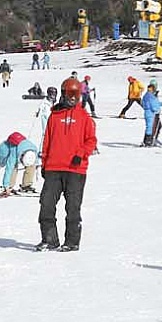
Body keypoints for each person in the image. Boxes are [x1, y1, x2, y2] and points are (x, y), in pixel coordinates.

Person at [37, 77, 97, 252]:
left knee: (72, 207)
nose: (72, 98)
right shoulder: (53, 116)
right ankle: (49, 239)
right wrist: (44, 164)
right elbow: (47, 141)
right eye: (69, 94)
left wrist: (80, 154)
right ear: (63, 94)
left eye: (76, 94)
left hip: (75, 170)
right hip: (54, 168)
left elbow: (91, 140)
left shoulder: (84, 116)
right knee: (46, 204)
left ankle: (71, 242)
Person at [141, 80, 162, 147]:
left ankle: (152, 139)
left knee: (157, 126)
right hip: (151, 113)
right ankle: (148, 140)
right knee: (150, 127)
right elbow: (152, 104)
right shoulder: (149, 96)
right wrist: (156, 110)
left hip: (153, 113)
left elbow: (155, 103)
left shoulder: (151, 95)